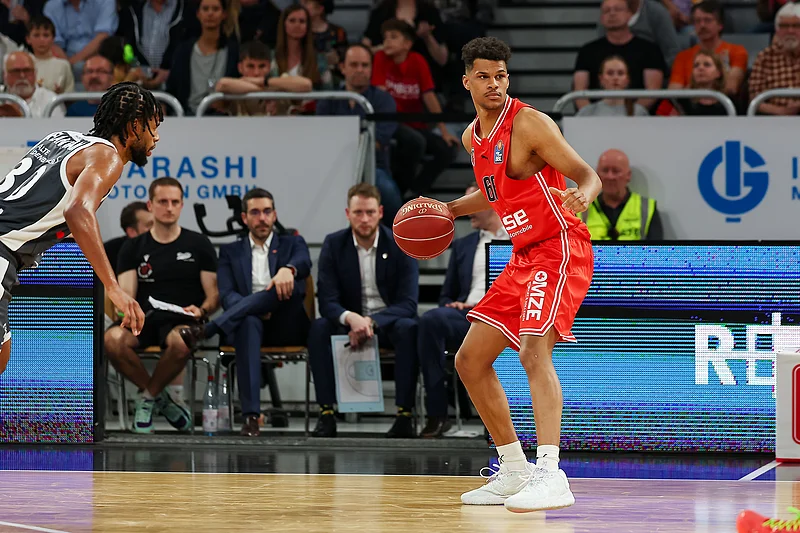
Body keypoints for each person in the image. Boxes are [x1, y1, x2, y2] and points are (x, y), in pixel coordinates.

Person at [442, 37, 601, 512]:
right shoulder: (474, 137)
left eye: (502, 75)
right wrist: (447, 209)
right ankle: (514, 469)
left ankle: (551, 473)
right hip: (524, 255)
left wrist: (587, 194)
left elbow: (584, 172)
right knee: (469, 361)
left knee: (534, 352)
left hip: (561, 247)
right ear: (467, 79)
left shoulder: (530, 123)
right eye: (485, 76)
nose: (495, 84)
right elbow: (493, 193)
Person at [0, 81, 159, 376]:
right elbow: (77, 210)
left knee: (3, 354)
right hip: (2, 251)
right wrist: (113, 288)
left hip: (7, 252)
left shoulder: (60, 137)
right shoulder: (109, 157)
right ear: (135, 126)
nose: (156, 137)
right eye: (153, 127)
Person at [179, 188, 312, 437]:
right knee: (249, 320)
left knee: (279, 289)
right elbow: (227, 294)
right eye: (255, 212)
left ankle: (209, 329)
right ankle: (251, 416)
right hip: (249, 324)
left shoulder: (293, 242)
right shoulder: (231, 251)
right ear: (244, 218)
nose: (262, 218)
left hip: (286, 324)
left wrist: (289, 269)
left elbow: (304, 262)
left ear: (274, 215)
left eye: (267, 212)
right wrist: (254, 307)